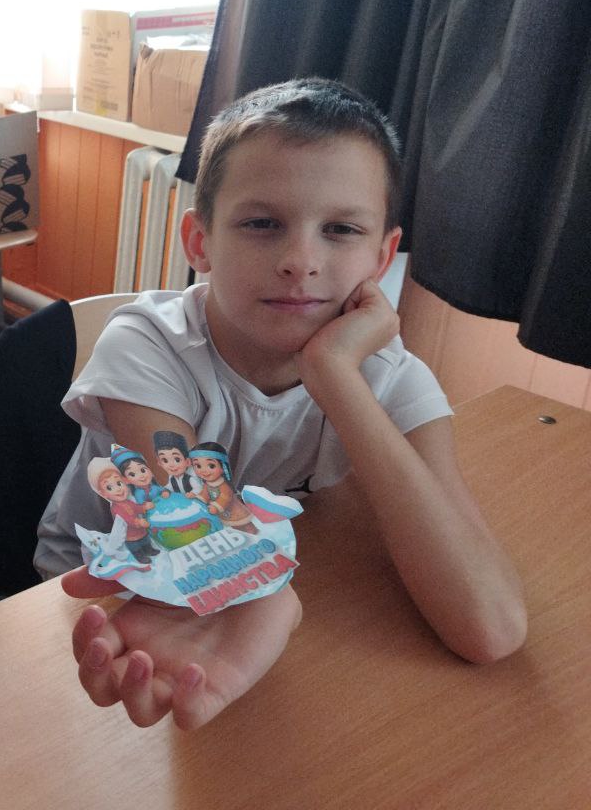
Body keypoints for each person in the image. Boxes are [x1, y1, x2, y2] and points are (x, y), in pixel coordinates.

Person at [34, 78, 526, 729]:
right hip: (98, 605)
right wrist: (265, 595)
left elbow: (491, 627)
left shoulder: (387, 378)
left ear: (382, 257)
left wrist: (335, 376)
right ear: (200, 241)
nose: (300, 260)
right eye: (262, 224)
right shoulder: (147, 345)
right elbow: (190, 529)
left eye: (341, 229)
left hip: (243, 608)